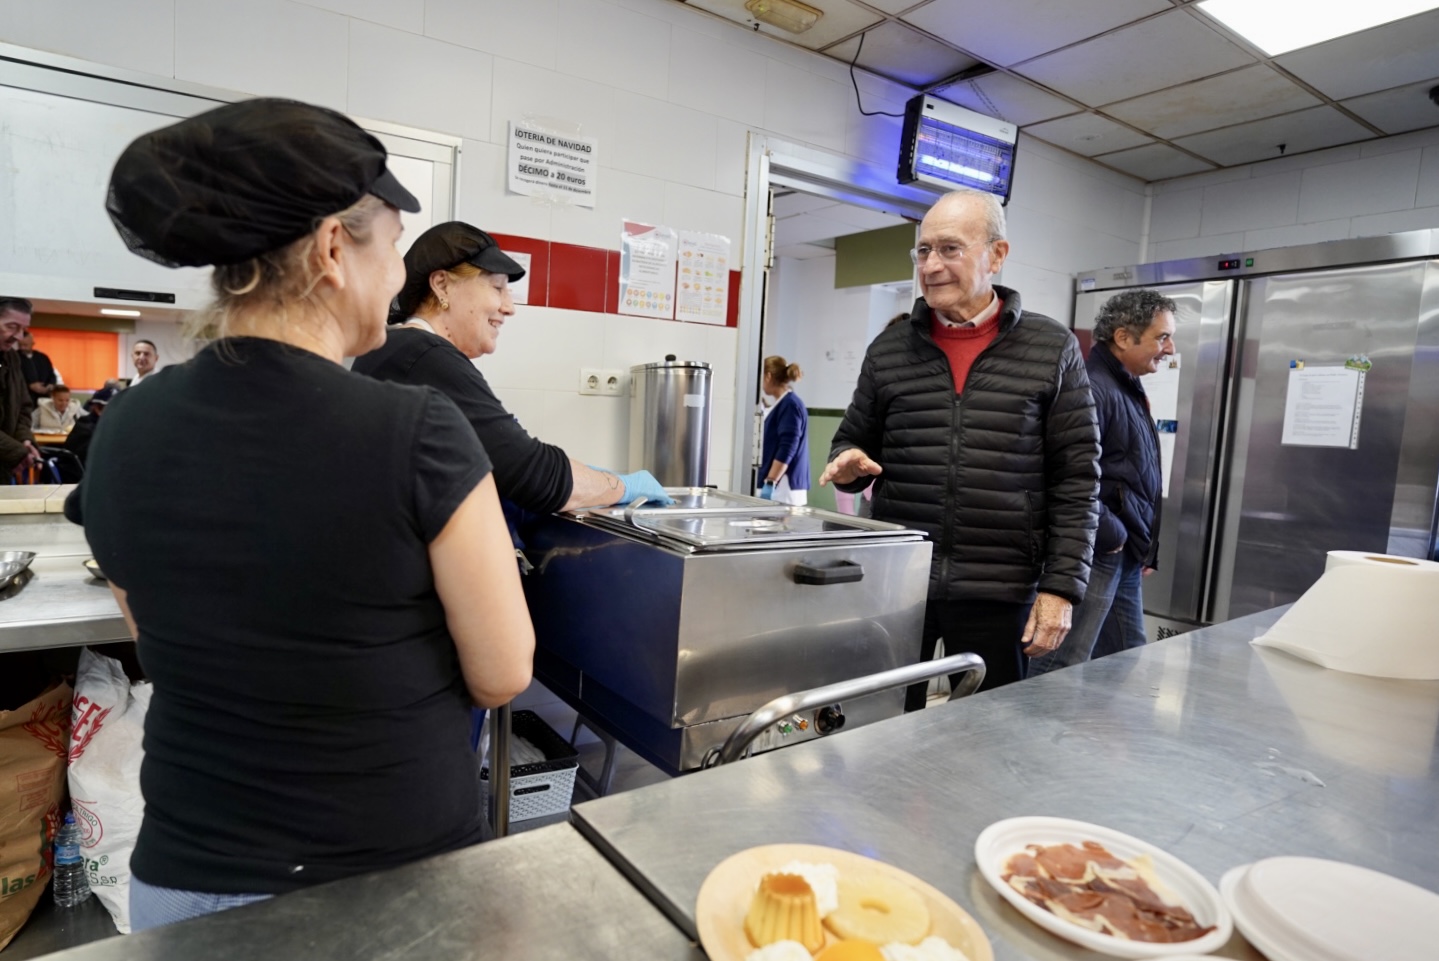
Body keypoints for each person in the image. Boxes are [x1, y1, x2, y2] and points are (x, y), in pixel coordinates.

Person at [66, 98, 534, 930]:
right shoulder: (418, 428)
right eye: (391, 247)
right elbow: (501, 672)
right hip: (383, 886)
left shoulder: (123, 427)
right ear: (331, 250)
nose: (394, 278)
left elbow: (153, 629)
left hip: (184, 884)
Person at [820, 188, 1099, 699]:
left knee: (991, 737)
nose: (930, 265)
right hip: (900, 583)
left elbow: (1078, 480)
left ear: (996, 253)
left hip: (1001, 586)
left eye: (949, 249)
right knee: (878, 724)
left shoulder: (1050, 347)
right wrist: (847, 462)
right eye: (923, 251)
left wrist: (1060, 588)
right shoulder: (890, 348)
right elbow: (851, 439)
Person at [353, 221, 670, 515]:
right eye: (497, 288)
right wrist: (624, 487)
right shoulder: (425, 355)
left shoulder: (395, 349)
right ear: (442, 285)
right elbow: (533, 475)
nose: (509, 307)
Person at [1029, 290, 1173, 676]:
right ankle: (1032, 734)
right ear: (1124, 337)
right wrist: (1115, 535)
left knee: (1125, 655)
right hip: (1094, 551)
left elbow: (1131, 474)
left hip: (1122, 552)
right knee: (1061, 665)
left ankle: (1100, 735)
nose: (1170, 349)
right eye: (1162, 337)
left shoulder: (1125, 386)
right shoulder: (1093, 388)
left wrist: (1143, 547)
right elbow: (1060, 474)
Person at [758, 355, 809, 505]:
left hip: (783, 488)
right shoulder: (783, 404)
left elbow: (788, 447)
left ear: (768, 376)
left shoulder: (790, 405)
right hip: (780, 488)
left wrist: (770, 483)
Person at [0, 297, 40, 479]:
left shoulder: (12, 358)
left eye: (23, 330)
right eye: (12, 327)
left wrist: (24, 438)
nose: (18, 336)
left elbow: (24, 405)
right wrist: (16, 450)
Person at [20, 330, 59, 401]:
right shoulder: (14, 358)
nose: (22, 348)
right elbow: (11, 379)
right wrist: (29, 386)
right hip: (23, 398)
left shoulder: (43, 358)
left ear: (32, 344)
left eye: (25, 345)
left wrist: (51, 385)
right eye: (20, 345)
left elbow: (52, 375)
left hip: (44, 398)